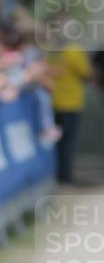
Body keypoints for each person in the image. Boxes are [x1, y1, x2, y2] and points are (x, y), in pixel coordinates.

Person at [47, 23, 91, 184]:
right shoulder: (74, 50)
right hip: (71, 103)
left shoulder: (51, 52)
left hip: (54, 103)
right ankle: (66, 176)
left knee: (58, 141)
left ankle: (60, 174)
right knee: (68, 141)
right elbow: (86, 74)